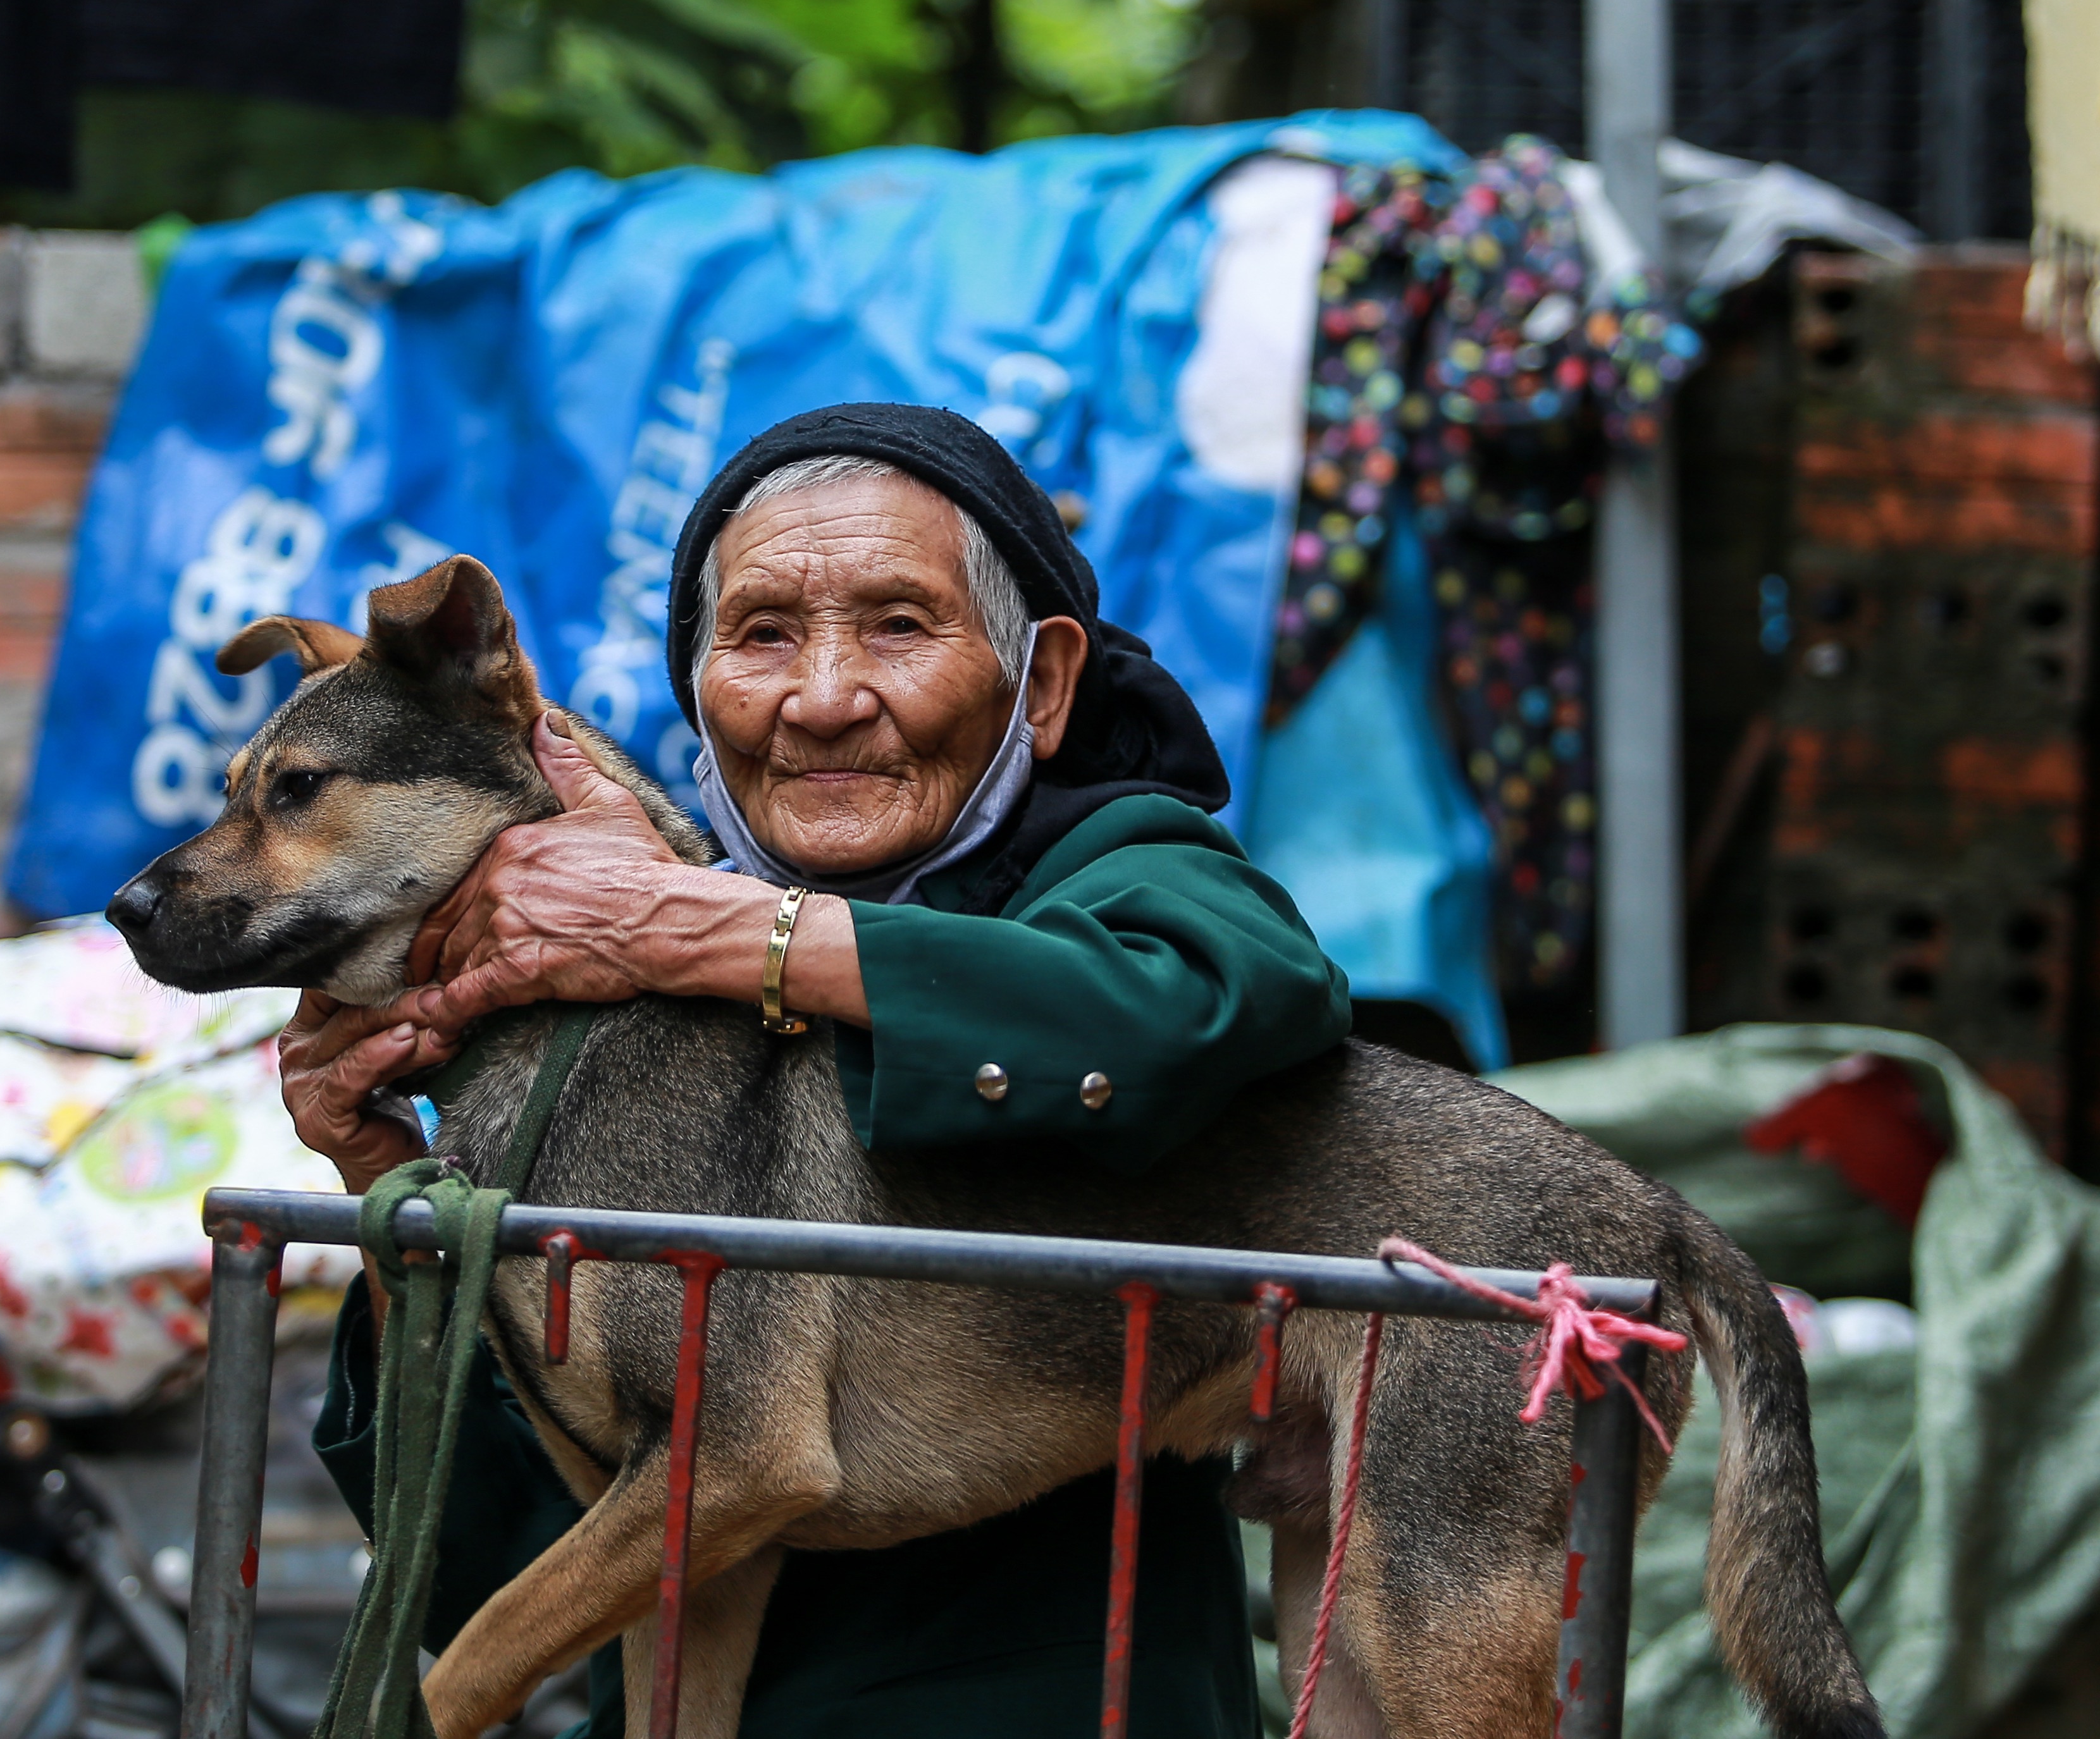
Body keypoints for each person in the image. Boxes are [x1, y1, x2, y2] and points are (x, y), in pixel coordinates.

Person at [288, 402, 1352, 1736]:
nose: (825, 697)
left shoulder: (1126, 870)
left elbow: (1196, 1010)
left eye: (899, 626)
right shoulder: (619, 1027)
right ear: (697, 689)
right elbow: (484, 1563)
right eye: (763, 636)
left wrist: (732, 930)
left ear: (1044, 682)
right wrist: (394, 1181)